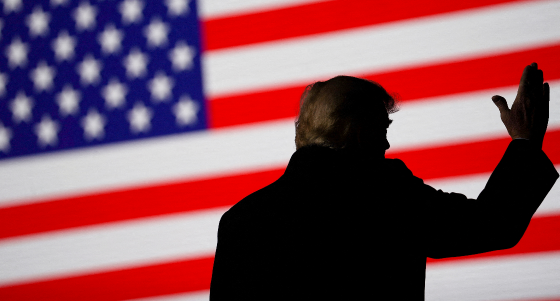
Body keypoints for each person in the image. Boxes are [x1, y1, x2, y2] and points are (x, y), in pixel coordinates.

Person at [209, 63, 558, 300]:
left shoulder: (241, 221)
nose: (387, 145)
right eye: (382, 130)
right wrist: (525, 142)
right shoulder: (388, 196)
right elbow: (491, 224)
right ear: (360, 133)